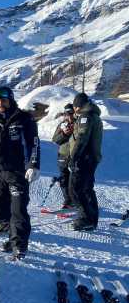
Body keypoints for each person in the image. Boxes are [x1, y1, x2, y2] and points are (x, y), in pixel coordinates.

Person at [0, 86, 40, 260]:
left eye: (3, 100)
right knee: (2, 211)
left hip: (17, 171)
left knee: (18, 209)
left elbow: (33, 144)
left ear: (10, 100)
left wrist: (34, 165)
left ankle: (19, 245)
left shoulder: (24, 119)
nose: (0, 103)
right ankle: (13, 239)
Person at [68, 92, 102, 231]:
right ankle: (92, 219)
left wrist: (74, 157)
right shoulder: (94, 115)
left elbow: (82, 137)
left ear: (78, 106)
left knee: (76, 189)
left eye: (75, 106)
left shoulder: (85, 117)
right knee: (87, 189)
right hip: (91, 158)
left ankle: (85, 218)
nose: (74, 110)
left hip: (84, 158)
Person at [51, 103, 76, 209]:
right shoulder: (62, 125)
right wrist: (64, 134)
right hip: (63, 155)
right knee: (63, 180)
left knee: (74, 181)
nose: (69, 116)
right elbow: (55, 140)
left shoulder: (79, 123)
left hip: (75, 156)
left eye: (71, 113)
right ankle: (68, 201)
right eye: (66, 114)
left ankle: (76, 201)